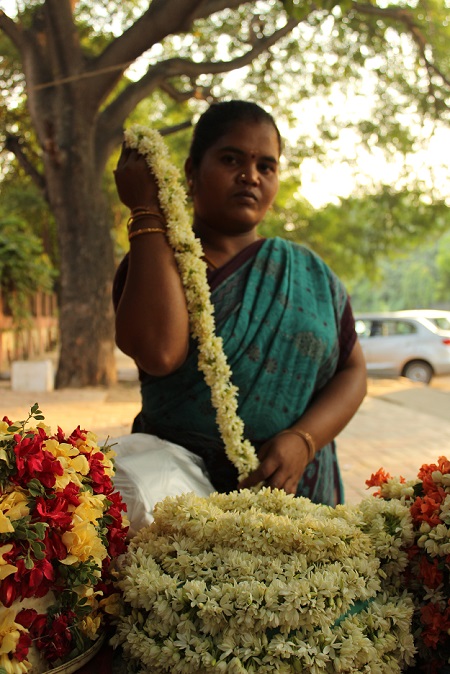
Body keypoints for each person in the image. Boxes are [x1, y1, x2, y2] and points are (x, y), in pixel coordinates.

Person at [112, 100, 367, 527]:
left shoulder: (309, 273)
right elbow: (160, 353)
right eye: (232, 159)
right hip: (178, 503)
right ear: (192, 171)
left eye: (266, 166)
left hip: (298, 496)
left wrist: (304, 441)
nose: (250, 175)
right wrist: (145, 211)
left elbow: (353, 370)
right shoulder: (155, 256)